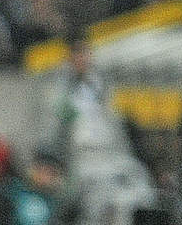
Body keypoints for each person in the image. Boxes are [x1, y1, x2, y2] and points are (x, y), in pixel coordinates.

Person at [43, 37, 157, 225]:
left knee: (139, 184)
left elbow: (115, 126)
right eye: (78, 54)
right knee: (97, 198)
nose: (83, 59)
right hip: (80, 157)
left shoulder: (101, 85)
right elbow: (54, 129)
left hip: (111, 155)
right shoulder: (60, 88)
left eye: (85, 53)